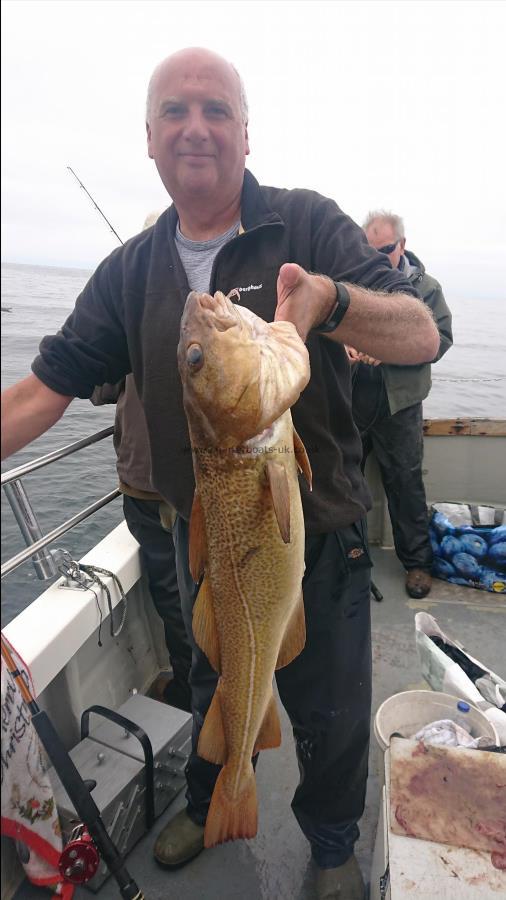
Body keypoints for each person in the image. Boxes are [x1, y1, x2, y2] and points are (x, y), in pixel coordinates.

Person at [1, 48, 439, 900]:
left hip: (324, 531)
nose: (194, 127)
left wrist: (331, 303)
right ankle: (214, 794)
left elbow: (421, 334)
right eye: (174, 111)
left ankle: (331, 842)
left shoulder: (306, 223)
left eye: (214, 109)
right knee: (215, 680)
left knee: (334, 712)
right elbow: (40, 391)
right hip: (200, 542)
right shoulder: (128, 272)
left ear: (245, 131)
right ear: (151, 140)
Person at [347, 211, 452, 600]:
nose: (378, 257)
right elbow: (328, 328)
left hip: (401, 404)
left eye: (387, 249)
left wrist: (390, 352)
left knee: (406, 483)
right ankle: (349, 558)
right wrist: (344, 347)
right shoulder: (350, 284)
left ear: (402, 245)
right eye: (370, 250)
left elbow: (440, 339)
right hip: (354, 400)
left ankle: (418, 563)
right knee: (345, 480)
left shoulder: (427, 288)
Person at [91, 373, 193, 713]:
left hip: (149, 485)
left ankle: (191, 691)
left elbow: (96, 387)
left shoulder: (133, 321)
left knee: (171, 592)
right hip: (207, 483)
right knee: (212, 592)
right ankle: (217, 686)